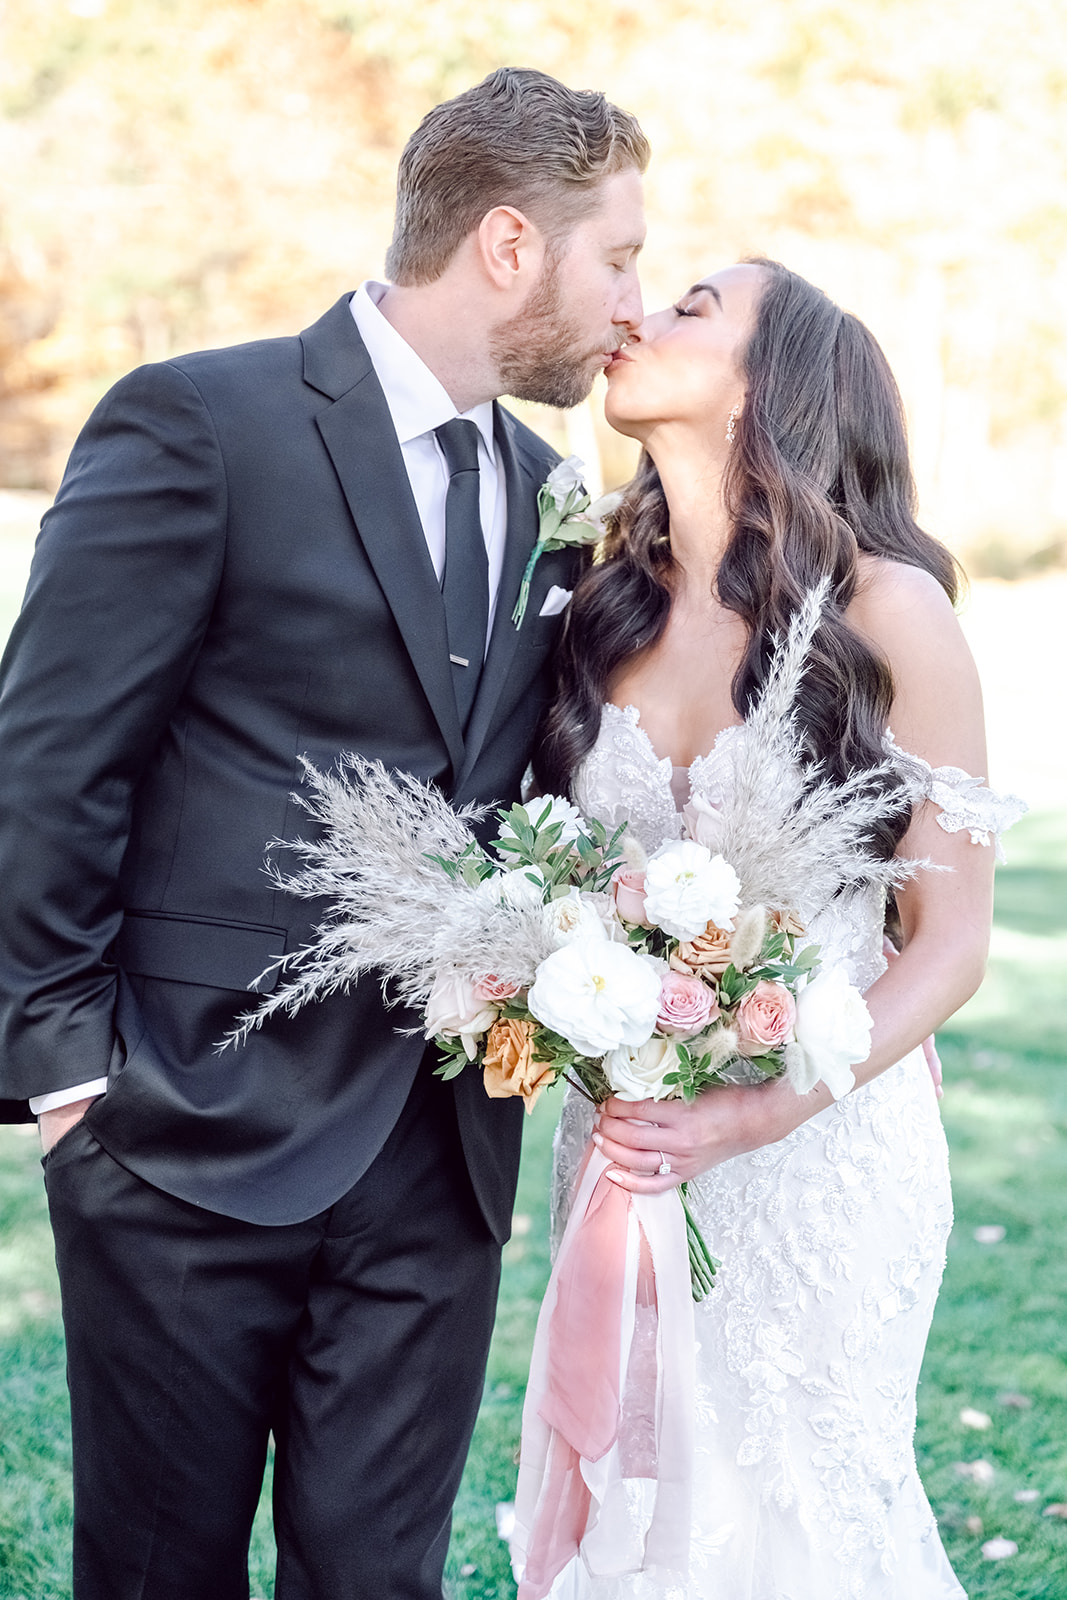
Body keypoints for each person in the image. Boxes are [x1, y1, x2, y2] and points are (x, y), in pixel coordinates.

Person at [0, 68, 648, 1600]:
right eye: (615, 256)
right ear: (508, 244)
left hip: (435, 1147)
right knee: (161, 1574)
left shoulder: (555, 488)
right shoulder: (201, 422)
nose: (632, 297)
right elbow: (48, 756)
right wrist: (69, 1075)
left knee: (379, 1577)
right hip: (184, 1129)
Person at [533, 259, 1024, 1597]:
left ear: (772, 384)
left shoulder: (890, 612)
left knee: (794, 1508)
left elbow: (951, 941)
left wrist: (756, 1114)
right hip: (626, 1149)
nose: (638, 312)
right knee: (641, 1521)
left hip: (823, 1149)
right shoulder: (594, 606)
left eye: (693, 304)